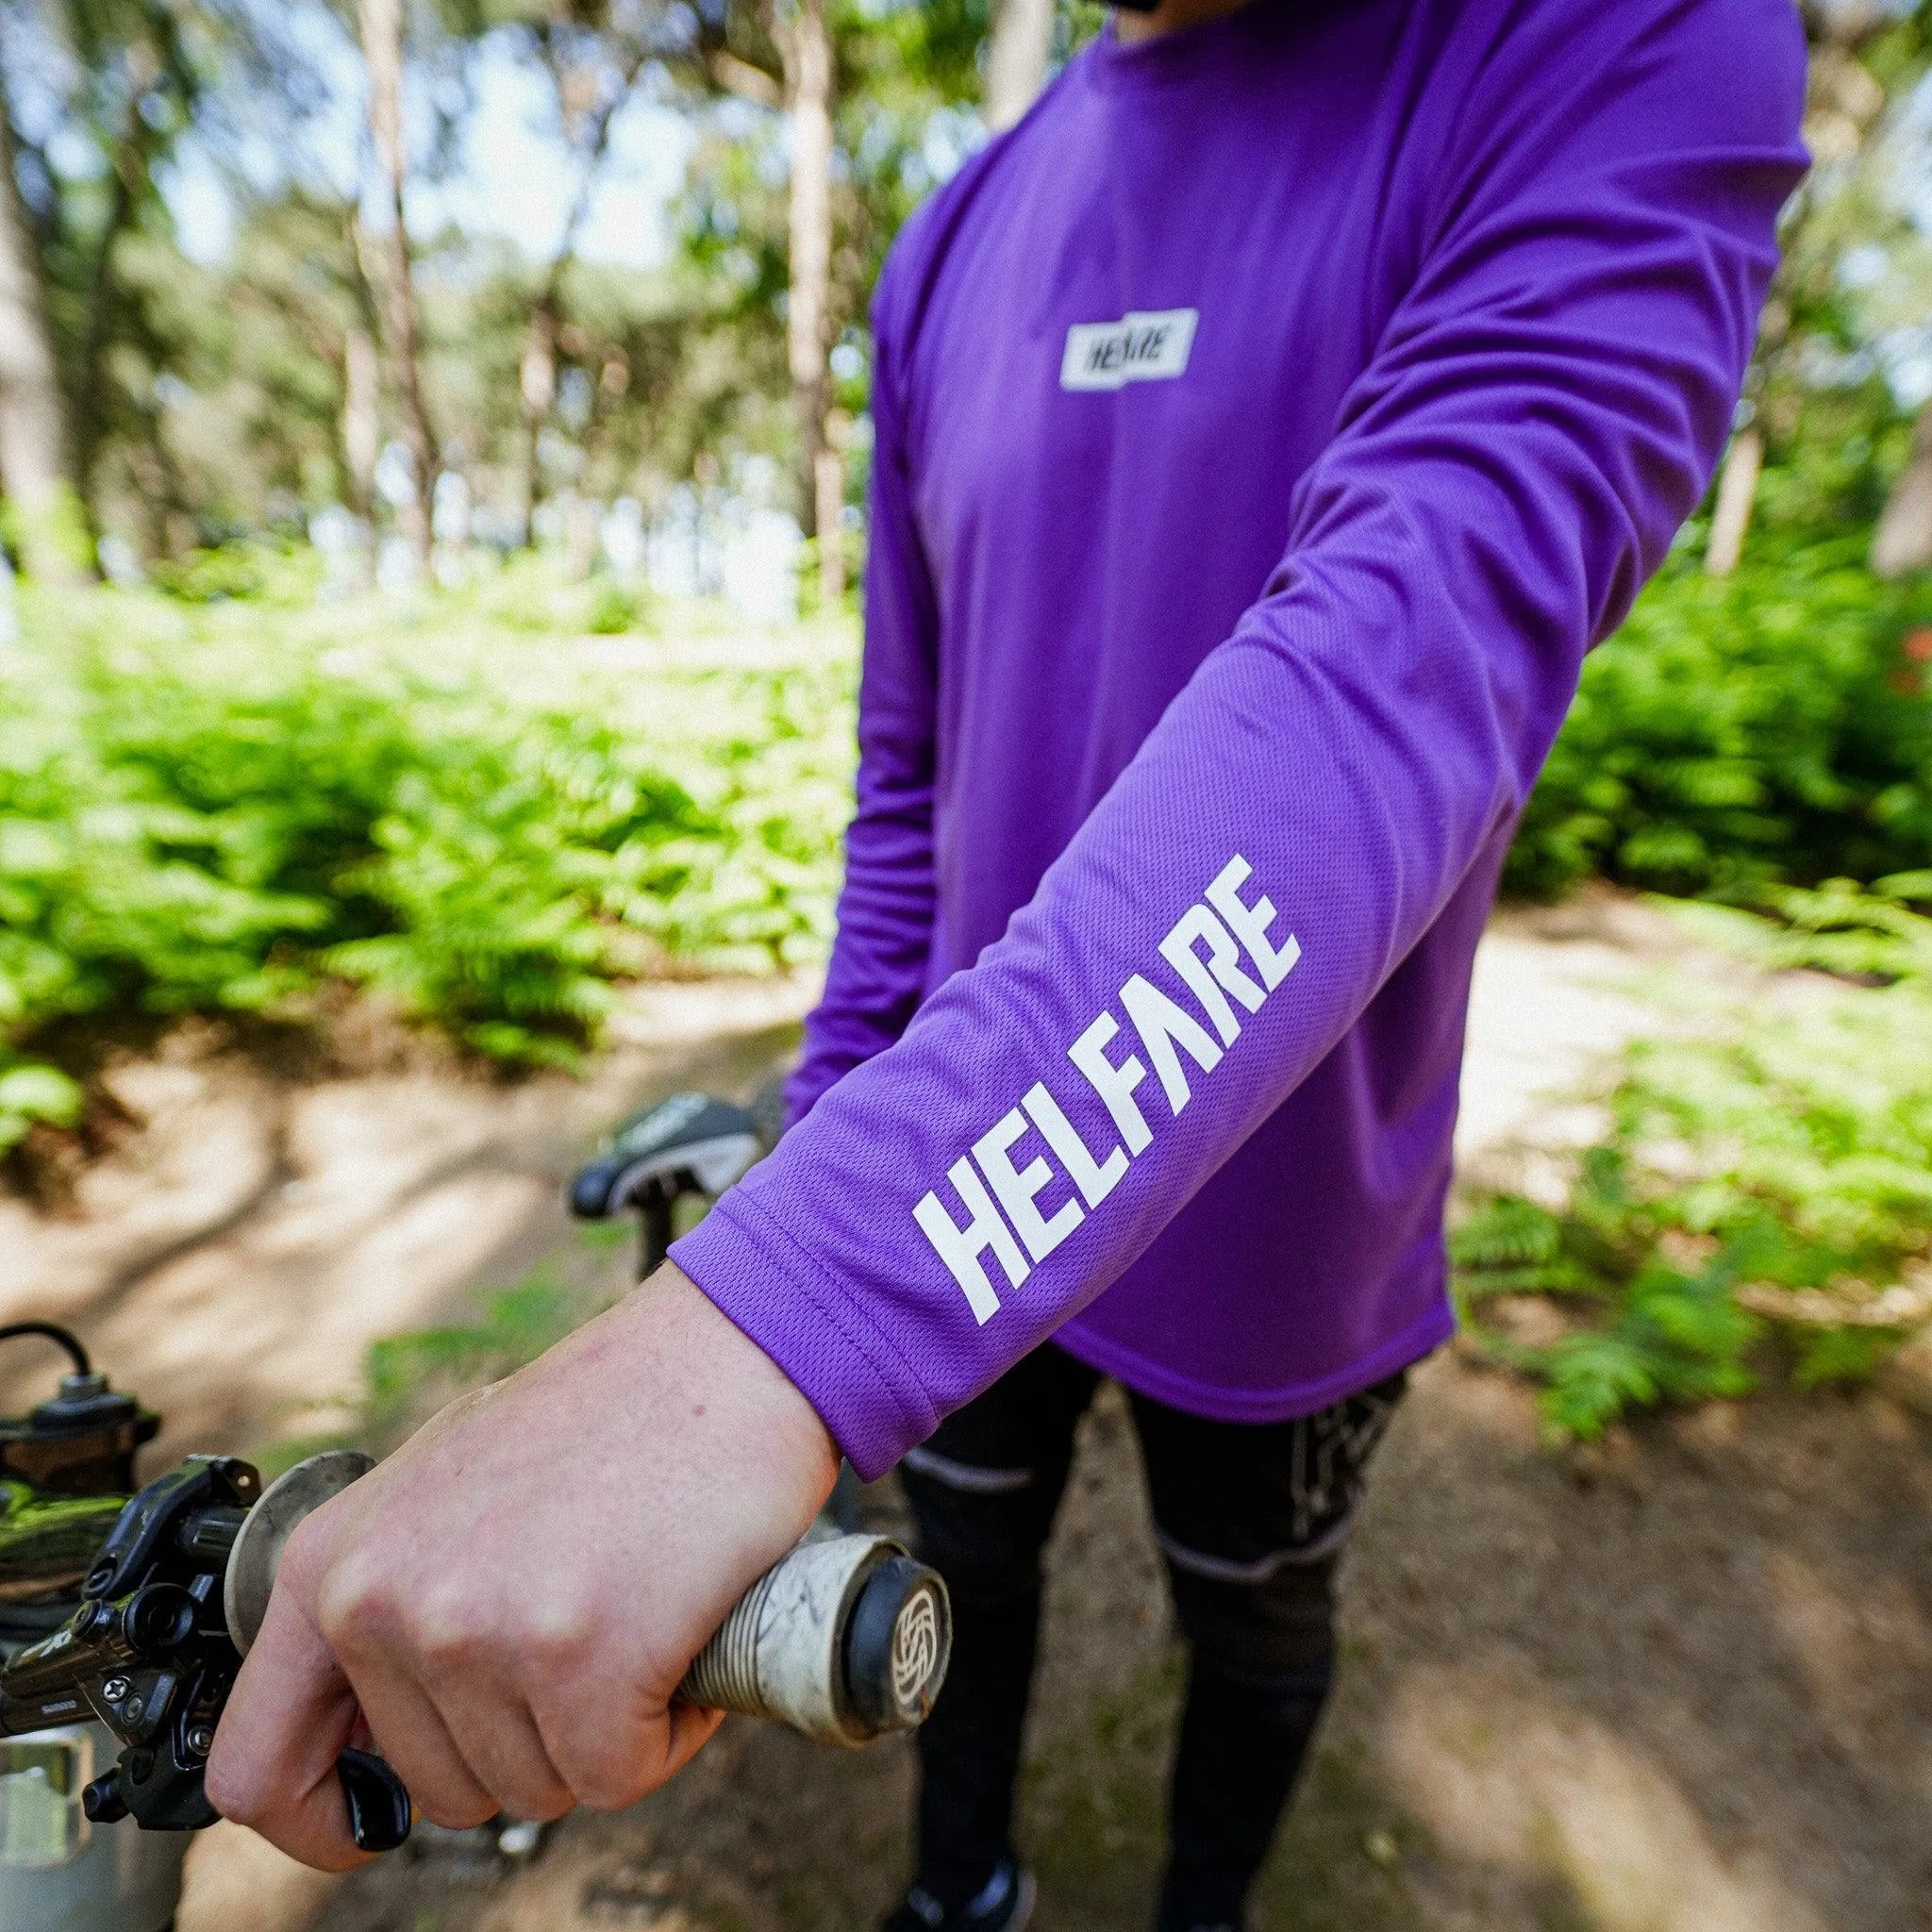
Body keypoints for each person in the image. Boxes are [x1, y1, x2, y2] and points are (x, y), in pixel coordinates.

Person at [208, 0, 1807, 1925]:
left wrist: (799, 1300)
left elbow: (1414, 658)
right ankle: (959, 1890)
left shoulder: (1608, 38)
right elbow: (911, 783)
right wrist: (818, 1153)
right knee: (961, 1582)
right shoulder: (954, 236)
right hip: (941, 1184)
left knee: (1255, 1616)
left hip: (1284, 1211)